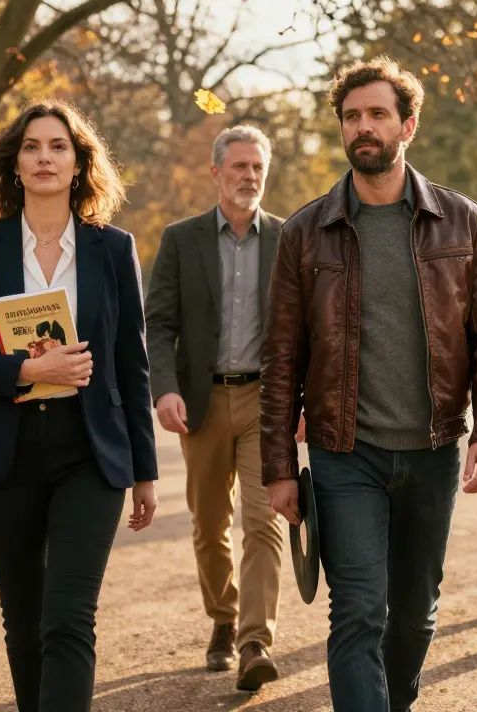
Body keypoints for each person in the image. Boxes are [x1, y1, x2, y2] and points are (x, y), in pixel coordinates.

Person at [261, 56, 477, 712]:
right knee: (357, 612)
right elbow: (281, 358)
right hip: (345, 453)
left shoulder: (461, 221)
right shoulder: (304, 231)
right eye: (352, 117)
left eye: (377, 114)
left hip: (433, 450)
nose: (363, 127)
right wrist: (278, 466)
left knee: (413, 614)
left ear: (408, 126)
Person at [0, 100, 158, 712]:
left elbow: (132, 365)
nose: (45, 158)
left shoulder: (114, 248)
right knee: (25, 622)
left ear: (80, 163)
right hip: (4, 457)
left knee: (68, 618)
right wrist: (26, 370)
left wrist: (144, 471)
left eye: (59, 147)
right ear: (14, 163)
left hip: (90, 454)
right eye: (31, 147)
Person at [144, 125, 286, 690]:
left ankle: (254, 641)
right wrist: (164, 388)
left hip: (265, 399)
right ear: (216, 173)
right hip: (201, 401)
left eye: (257, 168)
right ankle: (224, 616)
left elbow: (308, 328)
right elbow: (159, 323)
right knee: (209, 525)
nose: (249, 176)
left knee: (265, 520)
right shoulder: (182, 240)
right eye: (239, 167)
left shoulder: (288, 238)